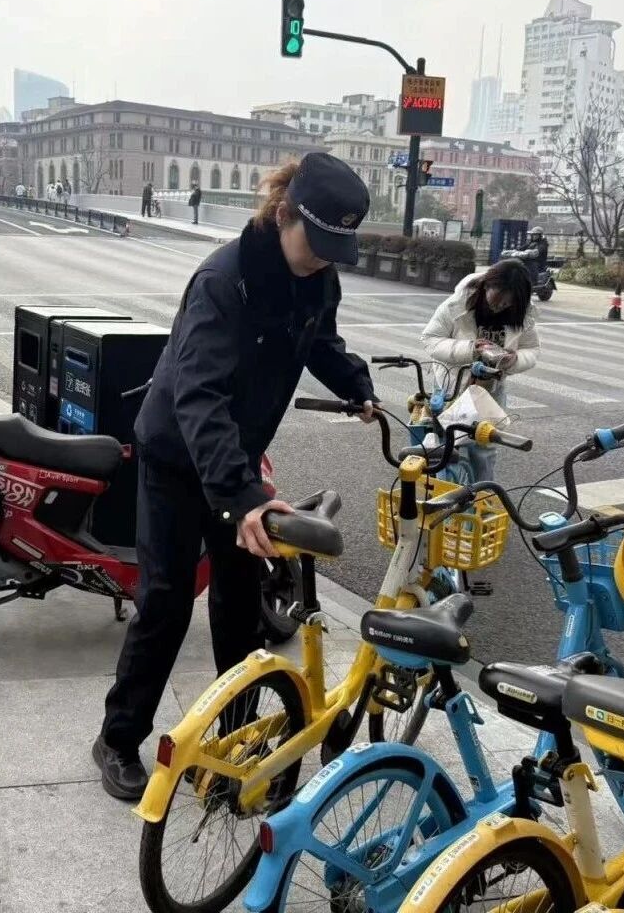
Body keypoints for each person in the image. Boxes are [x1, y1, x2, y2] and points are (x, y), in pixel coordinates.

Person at [95, 153, 378, 801]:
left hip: (237, 459)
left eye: (336, 249)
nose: (324, 259)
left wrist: (355, 384)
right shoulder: (223, 281)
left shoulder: (319, 278)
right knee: (165, 603)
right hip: (176, 455)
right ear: (283, 214)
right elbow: (198, 396)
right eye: (316, 243)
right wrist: (241, 495)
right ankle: (117, 739)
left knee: (239, 608)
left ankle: (235, 741)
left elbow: (320, 342)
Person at [420, 258, 538, 482]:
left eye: (506, 304)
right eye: (495, 300)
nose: (498, 307)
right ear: (486, 285)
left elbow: (532, 349)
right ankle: (448, 495)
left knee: (484, 449)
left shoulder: (523, 312)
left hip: (490, 390)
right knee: (449, 447)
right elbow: (430, 339)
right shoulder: (458, 304)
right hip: (453, 386)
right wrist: (470, 349)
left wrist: (514, 359)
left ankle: (483, 496)